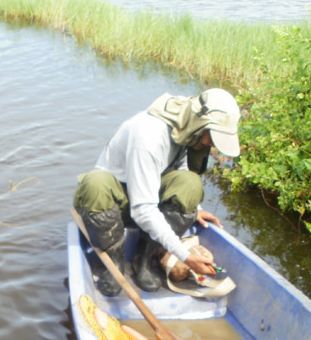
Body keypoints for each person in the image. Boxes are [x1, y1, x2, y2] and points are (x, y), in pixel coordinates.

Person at [73, 88, 240, 296]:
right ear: (201, 124)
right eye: (210, 138)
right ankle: (114, 263)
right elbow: (143, 210)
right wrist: (185, 255)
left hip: (147, 193)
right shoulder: (149, 136)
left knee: (190, 185)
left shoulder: (184, 125)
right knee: (95, 185)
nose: (210, 144)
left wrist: (194, 208)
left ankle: (143, 259)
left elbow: (179, 169)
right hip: (117, 204)